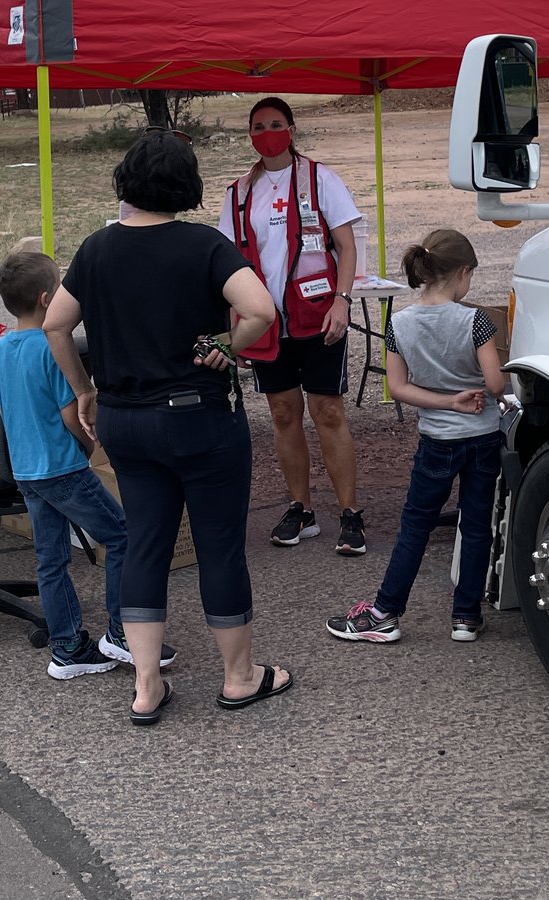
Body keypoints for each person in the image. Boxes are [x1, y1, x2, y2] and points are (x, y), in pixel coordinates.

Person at [43, 130, 293, 726]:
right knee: (218, 547)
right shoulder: (205, 246)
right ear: (187, 185)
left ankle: (147, 684)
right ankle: (238, 678)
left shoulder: (96, 248)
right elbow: (262, 310)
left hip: (126, 421)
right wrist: (225, 346)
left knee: (145, 543)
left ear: (126, 180)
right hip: (201, 418)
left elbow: (55, 324)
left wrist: (86, 391)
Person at [0, 251, 176, 680]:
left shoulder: (3, 348)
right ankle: (122, 631)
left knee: (50, 559)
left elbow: (2, 404)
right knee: (123, 535)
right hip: (63, 468)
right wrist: (89, 444)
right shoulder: (53, 348)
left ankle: (68, 646)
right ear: (46, 299)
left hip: (27, 472)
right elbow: (73, 412)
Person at [325, 229, 506, 644]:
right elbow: (495, 384)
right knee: (477, 525)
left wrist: (446, 403)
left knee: (415, 526)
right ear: (463, 272)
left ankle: (386, 611)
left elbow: (399, 388)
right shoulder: (475, 321)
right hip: (482, 436)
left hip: (437, 439)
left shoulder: (399, 323)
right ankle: (465, 616)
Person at [217, 96, 367, 556]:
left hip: (318, 314)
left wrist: (342, 302)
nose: (267, 134)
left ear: (292, 128)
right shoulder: (239, 192)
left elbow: (346, 245)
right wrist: (235, 328)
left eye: (275, 124)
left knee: (328, 412)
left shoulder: (322, 179)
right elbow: (229, 263)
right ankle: (300, 508)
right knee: (283, 413)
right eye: (258, 127)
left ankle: (349, 513)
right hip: (266, 322)